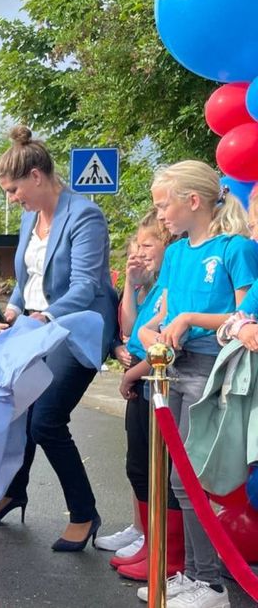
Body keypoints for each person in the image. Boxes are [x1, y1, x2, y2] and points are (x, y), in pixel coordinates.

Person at [0, 126, 118, 553]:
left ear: (37, 176)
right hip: (36, 329)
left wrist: (45, 316)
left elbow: (84, 287)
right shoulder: (29, 218)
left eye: (14, 189)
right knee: (18, 410)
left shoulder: (85, 215)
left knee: (47, 421)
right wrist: (15, 310)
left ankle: (83, 513)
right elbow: (28, 280)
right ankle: (14, 491)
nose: (12, 198)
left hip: (76, 330)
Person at [136, 160, 255, 608]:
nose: (161, 215)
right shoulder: (179, 253)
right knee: (176, 479)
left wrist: (189, 319)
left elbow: (246, 315)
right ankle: (194, 574)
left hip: (211, 369)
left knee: (190, 479)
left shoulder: (235, 249)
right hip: (173, 369)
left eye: (165, 205)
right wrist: (150, 335)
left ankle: (209, 583)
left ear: (193, 200)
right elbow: (157, 316)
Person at [108, 213, 184, 582]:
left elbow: (163, 342)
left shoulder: (173, 285)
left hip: (152, 375)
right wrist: (131, 284)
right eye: (136, 246)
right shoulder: (150, 287)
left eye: (147, 245)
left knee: (162, 472)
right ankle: (151, 544)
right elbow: (128, 328)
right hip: (139, 374)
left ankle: (169, 555)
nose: (140, 253)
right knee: (139, 466)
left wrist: (132, 373)